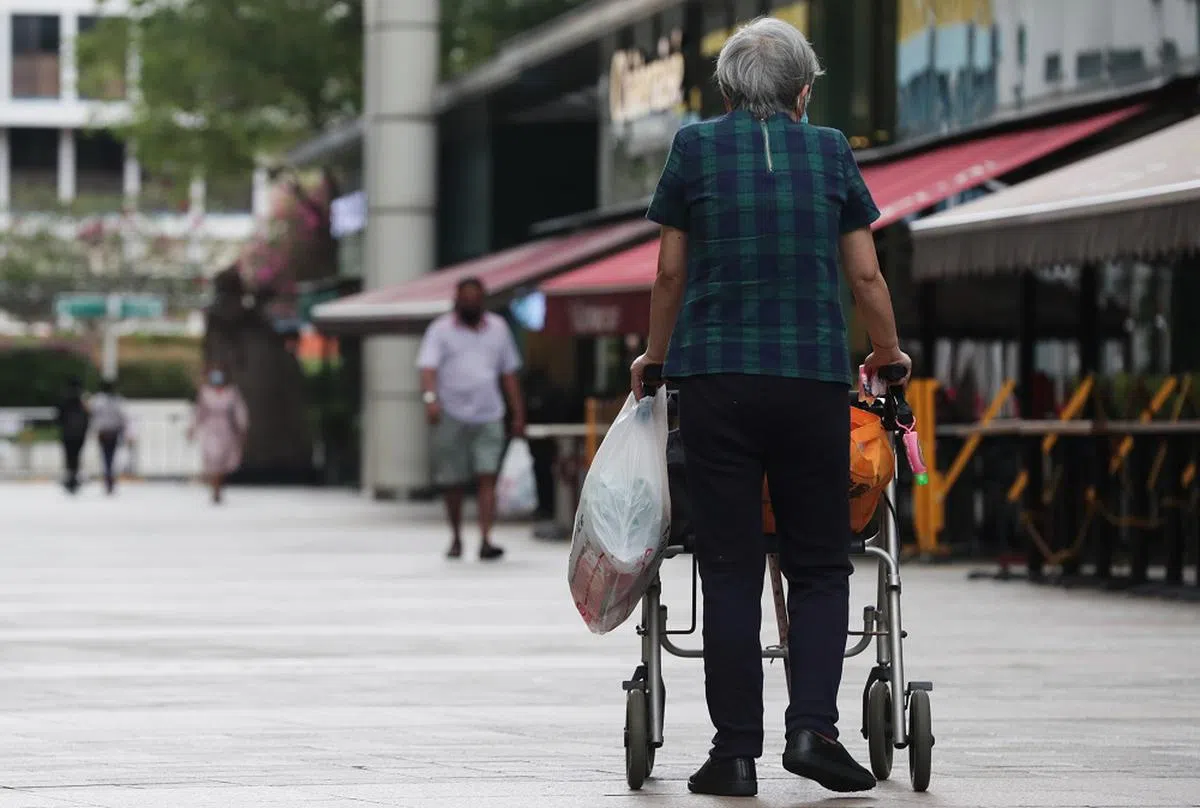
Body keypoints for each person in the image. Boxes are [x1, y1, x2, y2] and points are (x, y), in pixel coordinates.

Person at [629, 18, 911, 798]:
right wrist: (887, 355)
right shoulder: (829, 150)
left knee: (728, 565)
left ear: (724, 90)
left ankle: (734, 753)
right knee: (819, 561)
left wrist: (655, 359)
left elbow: (667, 276)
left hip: (715, 380)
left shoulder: (693, 148)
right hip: (812, 381)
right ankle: (814, 730)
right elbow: (864, 277)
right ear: (803, 91)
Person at [417, 277, 526, 561]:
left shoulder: (499, 329)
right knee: (452, 481)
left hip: (489, 413)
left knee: (487, 476)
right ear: (456, 300)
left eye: (474, 298)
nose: (469, 302)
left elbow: (509, 374)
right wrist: (431, 400)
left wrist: (518, 413)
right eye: (464, 297)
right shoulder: (440, 330)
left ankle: (486, 538)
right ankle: (455, 536)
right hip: (450, 414)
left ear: (483, 300)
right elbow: (428, 368)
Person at [188, 366, 249, 504]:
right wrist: (192, 428)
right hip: (210, 429)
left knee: (224, 460)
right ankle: (214, 488)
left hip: (226, 429)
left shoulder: (232, 393)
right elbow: (199, 412)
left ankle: (219, 486)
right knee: (213, 457)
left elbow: (239, 411)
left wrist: (242, 427)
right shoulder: (205, 393)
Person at [89, 380, 129, 495]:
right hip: (113, 431)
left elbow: (93, 415)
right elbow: (123, 417)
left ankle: (108, 477)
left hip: (103, 431)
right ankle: (110, 477)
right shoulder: (117, 400)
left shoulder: (98, 400)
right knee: (111, 456)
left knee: (105, 456)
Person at [55, 376, 90, 494]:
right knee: (76, 456)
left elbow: (59, 417)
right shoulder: (83, 399)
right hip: (79, 433)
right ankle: (74, 479)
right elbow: (87, 417)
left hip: (67, 433)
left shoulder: (65, 398)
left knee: (69, 457)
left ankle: (70, 479)